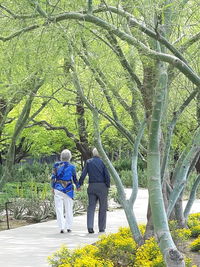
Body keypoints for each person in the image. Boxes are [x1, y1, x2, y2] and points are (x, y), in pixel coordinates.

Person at [79, 148, 110, 234]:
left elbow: (83, 174)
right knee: (103, 207)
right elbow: (107, 175)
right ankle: (101, 228)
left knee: (91, 207)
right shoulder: (103, 162)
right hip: (102, 186)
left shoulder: (89, 162)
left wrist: (80, 183)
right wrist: (108, 185)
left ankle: (90, 227)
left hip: (91, 186)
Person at [51, 149, 80, 233]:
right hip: (68, 189)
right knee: (69, 208)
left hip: (58, 188)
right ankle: (69, 226)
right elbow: (75, 178)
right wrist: (78, 186)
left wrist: (52, 187)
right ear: (70, 157)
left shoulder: (56, 165)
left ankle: (61, 227)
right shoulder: (72, 167)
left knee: (59, 208)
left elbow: (53, 177)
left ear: (61, 157)